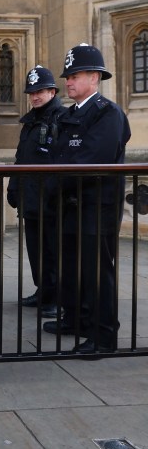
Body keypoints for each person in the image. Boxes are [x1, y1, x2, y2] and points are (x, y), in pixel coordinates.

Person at [42, 44, 131, 354]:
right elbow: (57, 155)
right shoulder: (70, 114)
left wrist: (55, 180)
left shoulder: (109, 113)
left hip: (97, 207)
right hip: (70, 205)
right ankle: (76, 319)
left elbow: (92, 158)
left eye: (75, 76)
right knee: (70, 267)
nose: (68, 82)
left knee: (96, 271)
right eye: (67, 76)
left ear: (94, 77)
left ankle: (103, 334)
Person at [7, 66, 67, 317]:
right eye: (32, 92)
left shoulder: (62, 118)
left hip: (52, 201)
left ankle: (58, 299)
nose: (35, 96)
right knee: (36, 249)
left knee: (55, 250)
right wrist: (13, 187)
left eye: (40, 91)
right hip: (31, 199)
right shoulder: (30, 122)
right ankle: (43, 290)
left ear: (52, 91)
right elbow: (21, 159)